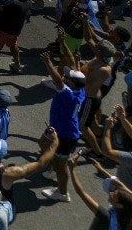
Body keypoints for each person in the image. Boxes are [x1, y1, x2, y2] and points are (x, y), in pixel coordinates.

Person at [41, 57, 88, 202]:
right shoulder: (80, 89)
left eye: (68, 77)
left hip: (66, 135)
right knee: (43, 143)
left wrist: (49, 64)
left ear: (72, 83)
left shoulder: (69, 94)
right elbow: (76, 71)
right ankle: (53, 167)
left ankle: (62, 193)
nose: (65, 77)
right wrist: (77, 62)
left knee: (61, 167)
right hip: (56, 129)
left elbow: (58, 81)